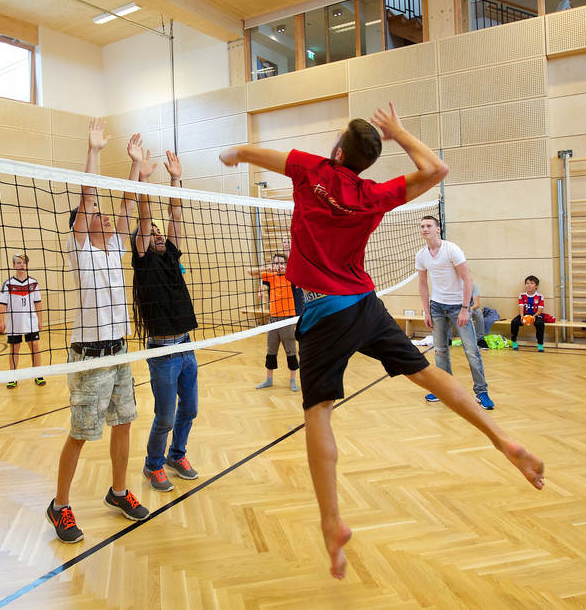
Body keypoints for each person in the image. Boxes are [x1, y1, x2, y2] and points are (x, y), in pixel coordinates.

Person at [219, 102, 545, 580]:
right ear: (367, 162)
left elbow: (245, 150)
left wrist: (228, 155)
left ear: (336, 149)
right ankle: (502, 439)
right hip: (366, 305)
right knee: (428, 370)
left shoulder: (311, 169)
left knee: (318, 412)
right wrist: (399, 131)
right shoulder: (374, 194)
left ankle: (331, 522)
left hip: (323, 310)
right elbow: (437, 169)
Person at [46, 118, 150, 544]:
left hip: (119, 351)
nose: (105, 218)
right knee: (81, 433)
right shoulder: (81, 250)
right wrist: (92, 152)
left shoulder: (112, 250)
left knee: (123, 424)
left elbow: (127, 202)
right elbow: (89, 197)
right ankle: (59, 506)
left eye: (106, 217)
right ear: (81, 227)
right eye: (95, 216)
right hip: (89, 355)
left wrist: (136, 167)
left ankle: (119, 492)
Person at [129, 147, 202, 493]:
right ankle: (152, 465)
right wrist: (143, 179)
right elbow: (145, 221)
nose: (158, 234)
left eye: (160, 232)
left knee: (190, 409)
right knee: (166, 416)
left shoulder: (171, 254)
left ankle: (177, 454)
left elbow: (177, 218)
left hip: (186, 346)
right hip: (162, 353)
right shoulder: (143, 263)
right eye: (152, 232)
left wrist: (175, 179)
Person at [416, 216, 494, 409]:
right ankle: (445, 390)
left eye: (429, 226)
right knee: (441, 350)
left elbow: (468, 280)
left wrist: (465, 309)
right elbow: (423, 284)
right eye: (422, 226)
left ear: (437, 229)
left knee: (472, 351)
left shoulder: (452, 249)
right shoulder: (422, 255)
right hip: (437, 306)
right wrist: (426, 311)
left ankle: (481, 392)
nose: (425, 229)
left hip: (458, 306)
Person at [248, 253, 301, 392]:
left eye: (282, 263)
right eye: (276, 263)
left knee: (291, 352)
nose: (279, 266)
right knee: (271, 352)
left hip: (287, 320)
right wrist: (267, 268)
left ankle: (292, 381)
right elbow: (249, 272)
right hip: (273, 320)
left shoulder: (291, 278)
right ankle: (269, 380)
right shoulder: (270, 277)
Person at [0, 253, 45, 389]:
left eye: (23, 263)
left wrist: (40, 320)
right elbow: (2, 304)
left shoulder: (33, 283)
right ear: (14, 266)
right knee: (14, 349)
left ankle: (38, 374)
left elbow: (38, 303)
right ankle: (13, 377)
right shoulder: (8, 284)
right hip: (14, 323)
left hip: (30, 321)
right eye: (18, 263)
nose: (21, 265)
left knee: (34, 346)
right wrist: (1, 321)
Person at [510, 275, 546, 352]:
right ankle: (514, 341)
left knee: (540, 324)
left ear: (536, 286)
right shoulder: (522, 295)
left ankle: (540, 344)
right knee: (514, 322)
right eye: (527, 283)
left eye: (532, 283)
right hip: (524, 314)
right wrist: (522, 317)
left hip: (535, 315)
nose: (529, 285)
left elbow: (540, 310)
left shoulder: (540, 296)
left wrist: (534, 316)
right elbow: (521, 307)